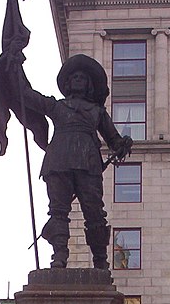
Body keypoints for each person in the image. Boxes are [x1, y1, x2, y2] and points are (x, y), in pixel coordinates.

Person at [10, 53, 133, 269]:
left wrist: (123, 144)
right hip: (58, 161)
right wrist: (14, 66)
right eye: (74, 77)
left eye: (82, 78)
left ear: (88, 85)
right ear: (68, 83)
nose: (78, 80)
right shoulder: (57, 106)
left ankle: (100, 259)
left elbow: (113, 139)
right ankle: (59, 255)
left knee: (94, 211)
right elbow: (27, 96)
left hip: (88, 163)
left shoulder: (97, 112)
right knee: (58, 210)